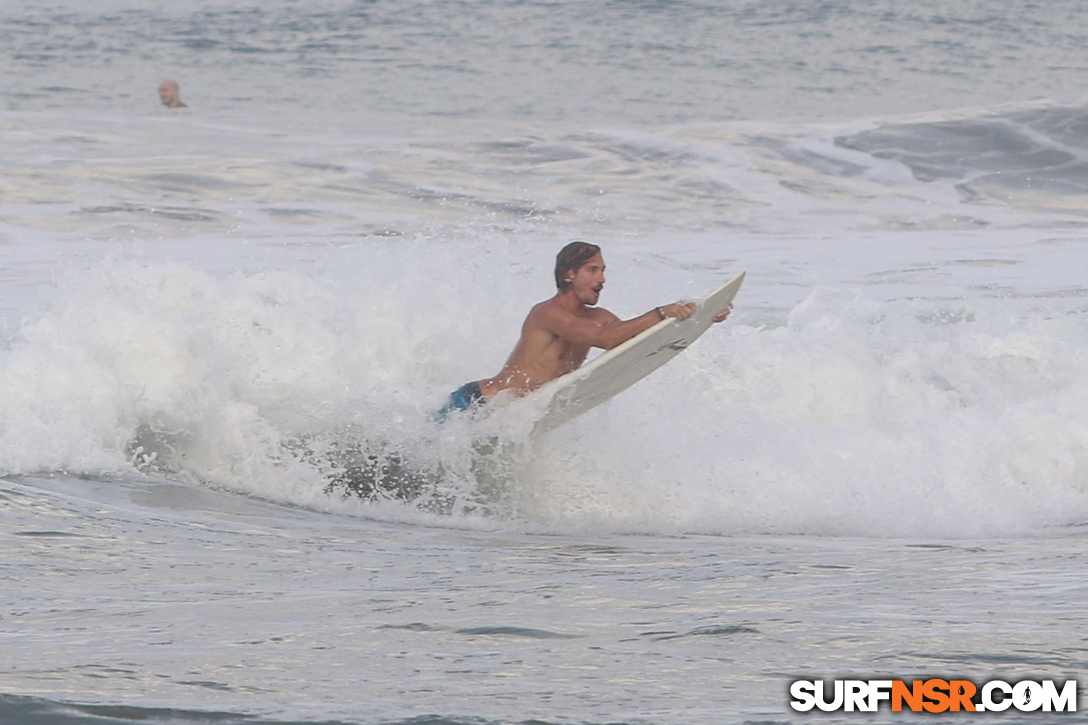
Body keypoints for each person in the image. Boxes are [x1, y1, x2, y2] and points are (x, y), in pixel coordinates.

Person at [438, 241, 731, 419]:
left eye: (603, 270)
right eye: (593, 270)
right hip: (475, 405)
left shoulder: (600, 317)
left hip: (513, 416)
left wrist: (699, 318)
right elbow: (606, 340)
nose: (602, 278)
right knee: (411, 466)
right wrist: (660, 312)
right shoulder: (547, 313)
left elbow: (637, 340)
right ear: (569, 275)